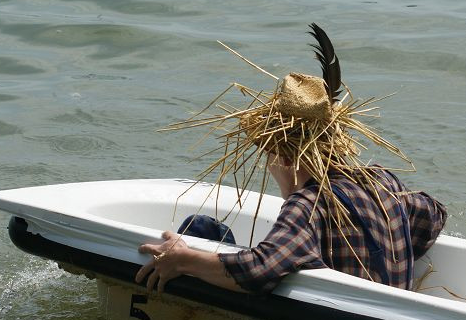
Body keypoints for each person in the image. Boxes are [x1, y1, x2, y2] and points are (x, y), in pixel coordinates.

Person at [136, 24, 447, 295]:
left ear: (284, 158)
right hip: (385, 312)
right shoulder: (381, 181)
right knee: (206, 229)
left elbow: (258, 270)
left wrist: (182, 259)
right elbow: (434, 215)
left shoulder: (307, 206)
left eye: (267, 154)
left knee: (197, 229)